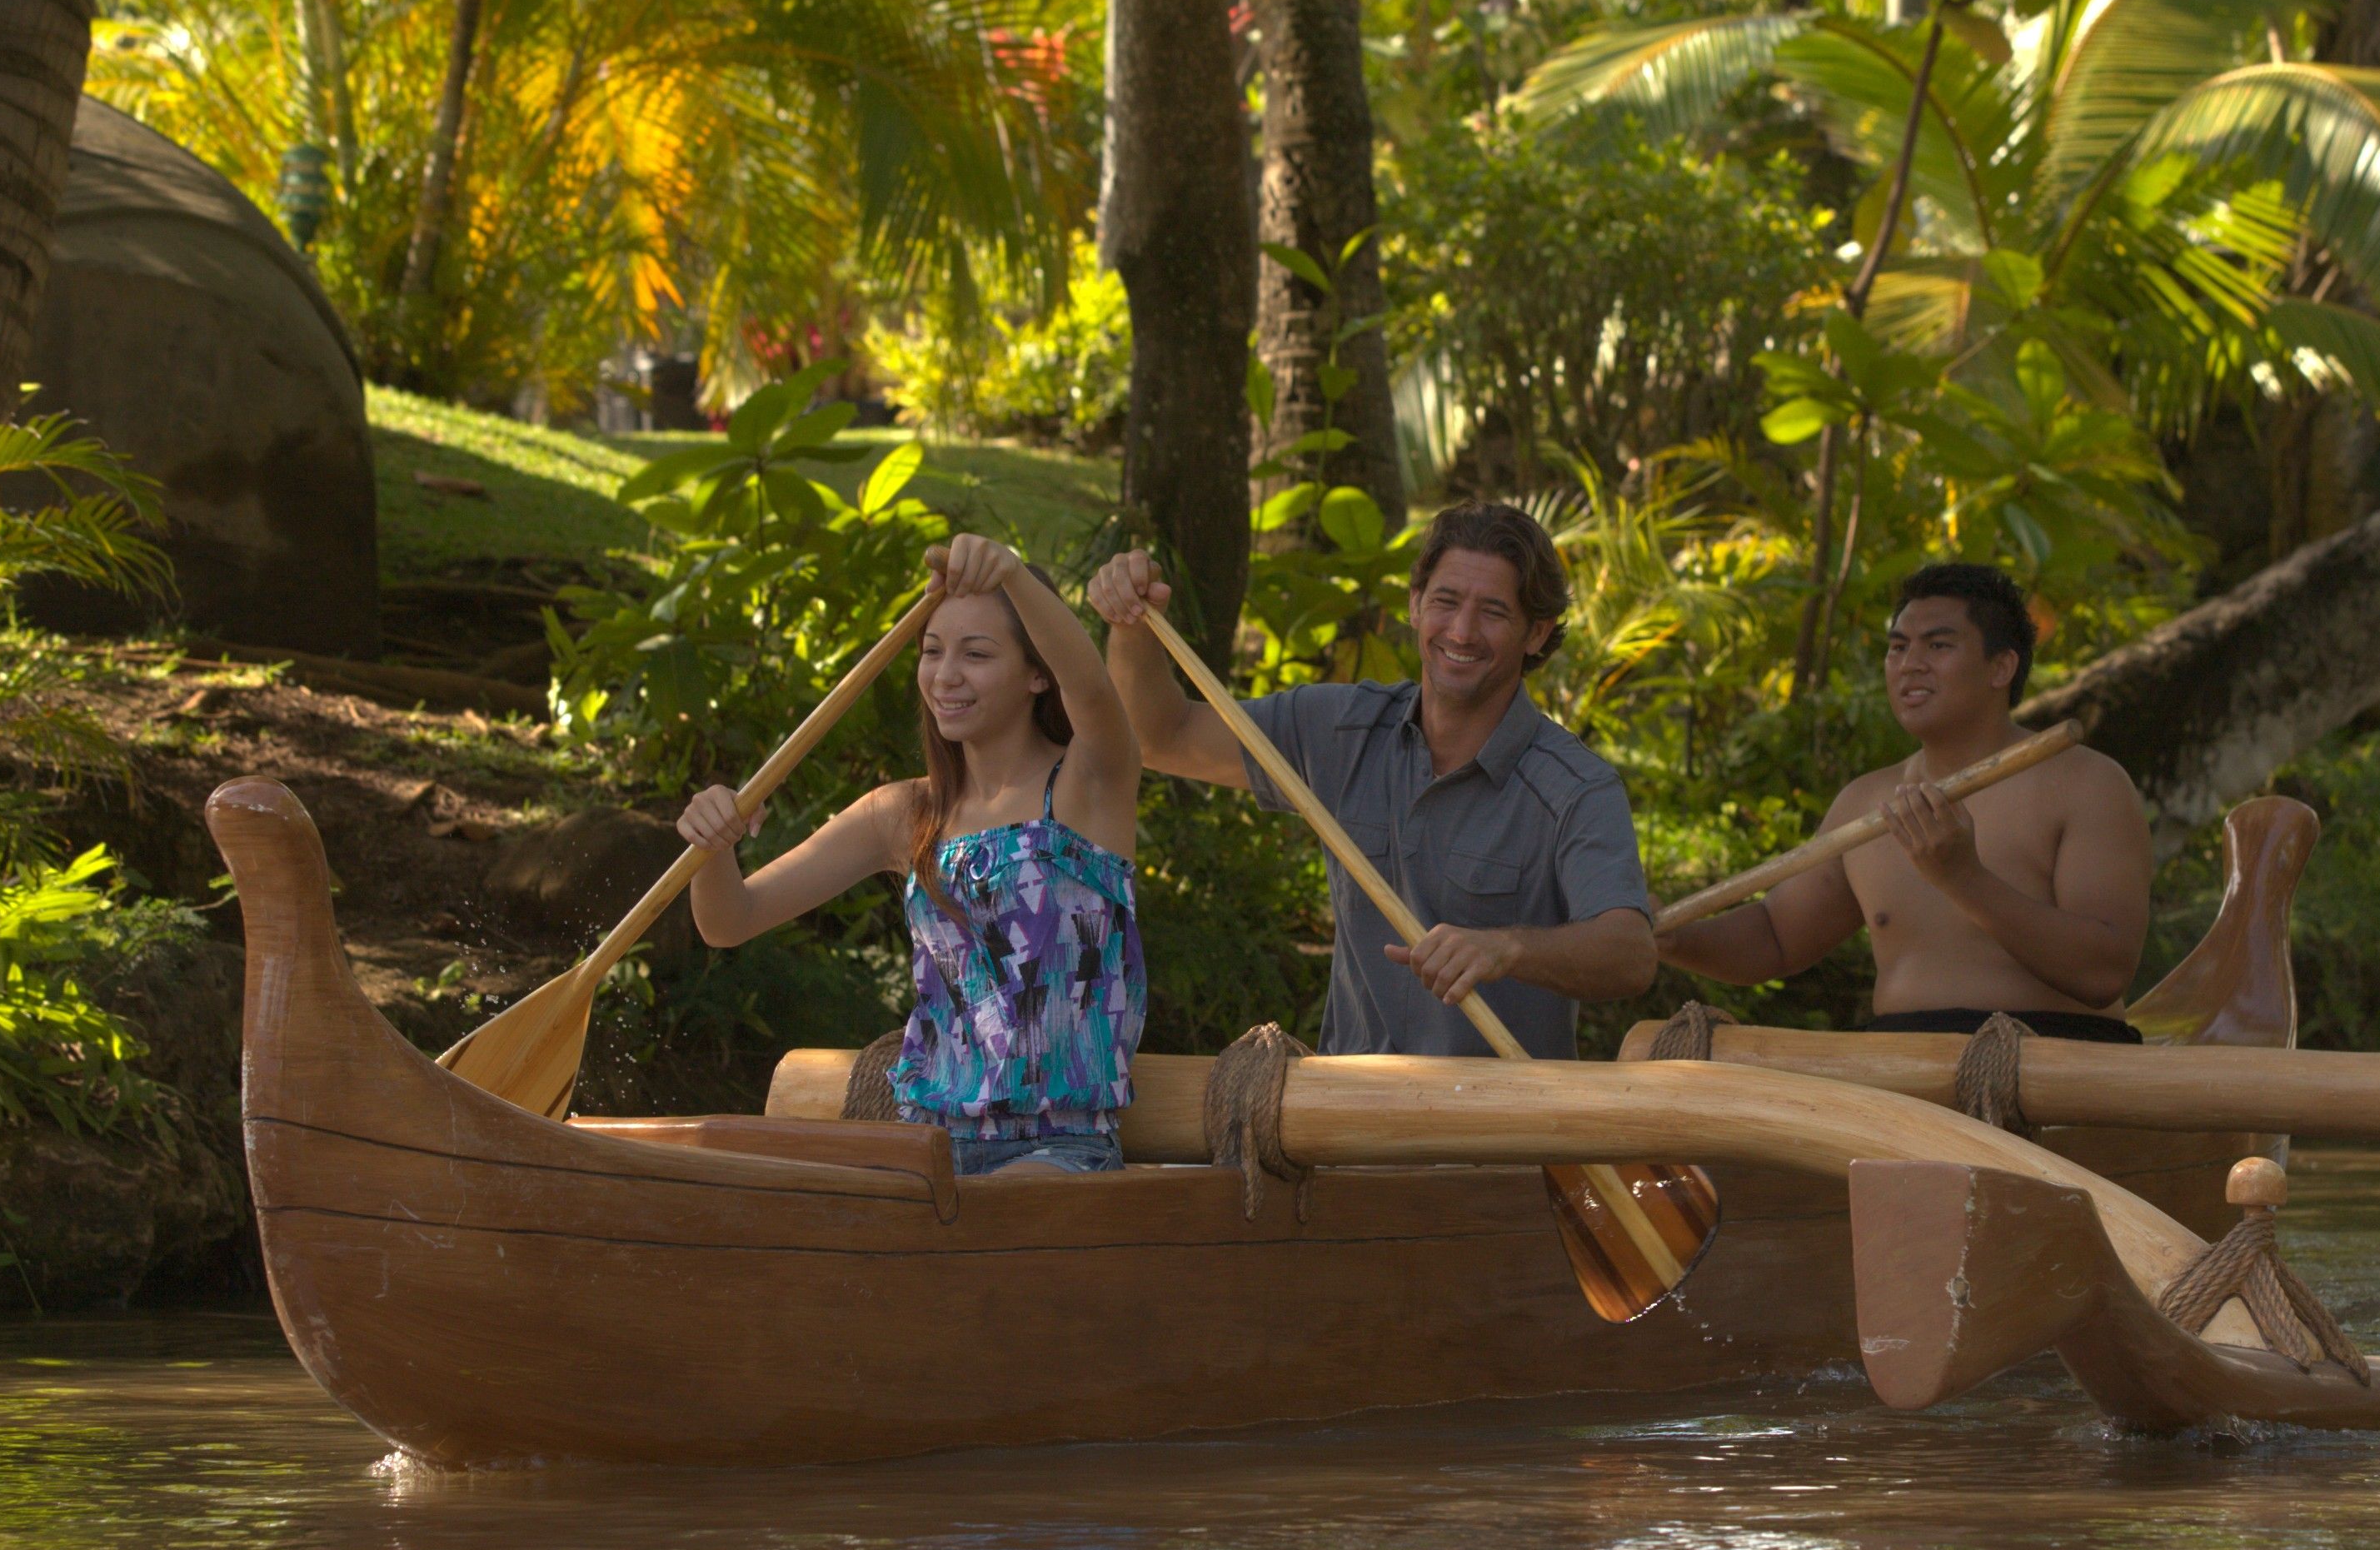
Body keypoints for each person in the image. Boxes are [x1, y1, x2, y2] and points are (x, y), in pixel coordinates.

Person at [1085, 503, 1655, 1056]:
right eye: (1446, 601)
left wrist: (1507, 947)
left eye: (1493, 613)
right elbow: (1162, 737)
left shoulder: (1576, 788)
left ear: (1537, 633)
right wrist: (1130, 624)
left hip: (1499, 1138)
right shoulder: (1345, 730)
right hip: (1348, 1121)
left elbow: (1629, 954)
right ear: (1413, 605)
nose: (1461, 630)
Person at [675, 534, 1145, 1174]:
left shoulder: (1090, 784)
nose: (945, 675)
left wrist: (1012, 571)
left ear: (1038, 674)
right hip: (924, 1144)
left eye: (976, 654)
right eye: (931, 652)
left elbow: (1089, 687)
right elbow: (729, 921)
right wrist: (713, 848)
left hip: (1060, 1149)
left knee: (966, 1226)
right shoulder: (904, 814)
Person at [1654, 561, 2153, 1042]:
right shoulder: (1864, 800)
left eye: (1938, 645)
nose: (1910, 664)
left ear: (2001, 666)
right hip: (1900, 1074)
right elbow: (1776, 938)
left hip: (2051, 1063)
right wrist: (1673, 938)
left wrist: (1963, 879)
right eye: (1898, 647)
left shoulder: (2087, 783)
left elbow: (2103, 973)